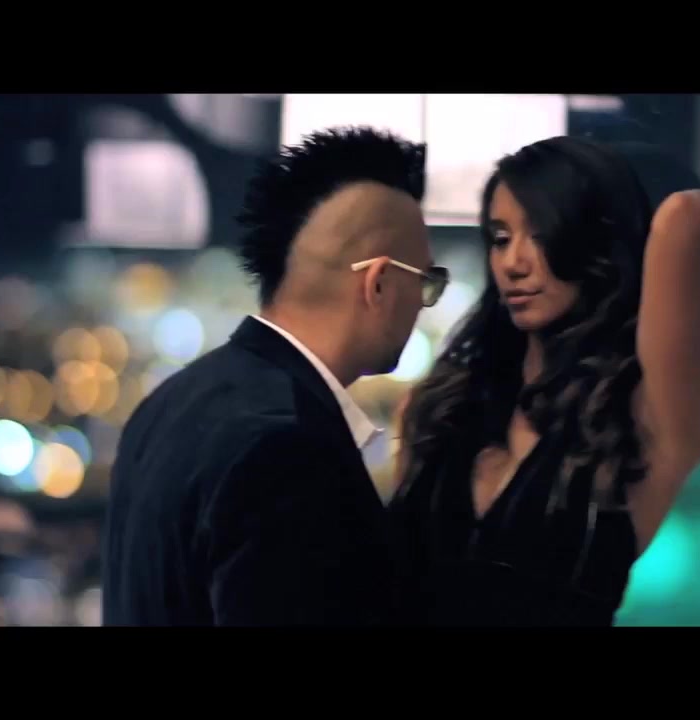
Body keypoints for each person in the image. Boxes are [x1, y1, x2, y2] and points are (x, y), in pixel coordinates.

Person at [387, 135, 700, 626]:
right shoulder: (439, 409)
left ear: (595, 242)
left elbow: (682, 217)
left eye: (541, 234)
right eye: (500, 238)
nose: (513, 263)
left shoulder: (641, 421)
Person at [102, 126, 446, 625]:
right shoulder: (288, 446)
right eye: (426, 281)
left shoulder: (169, 402)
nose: (422, 303)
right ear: (378, 284)